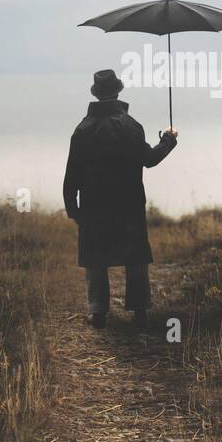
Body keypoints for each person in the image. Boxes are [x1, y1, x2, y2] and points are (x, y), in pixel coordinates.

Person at [63, 69, 178, 328]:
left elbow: (72, 176)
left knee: (95, 258)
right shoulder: (131, 126)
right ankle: (139, 311)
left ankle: (98, 312)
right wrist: (168, 141)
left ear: (96, 93)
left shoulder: (82, 129)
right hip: (129, 204)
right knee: (135, 256)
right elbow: (149, 159)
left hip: (94, 206)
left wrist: (74, 210)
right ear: (117, 92)